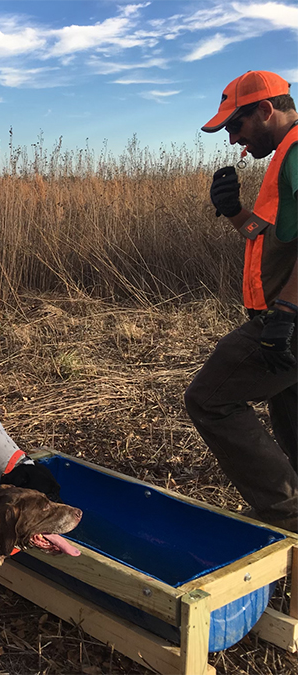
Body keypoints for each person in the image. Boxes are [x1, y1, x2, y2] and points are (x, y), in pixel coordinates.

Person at [185, 70, 297, 533]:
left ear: (266, 110)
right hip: (282, 318)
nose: (233, 140)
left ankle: (287, 516)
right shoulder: (283, 159)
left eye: (237, 126)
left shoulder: (296, 153)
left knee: (209, 399)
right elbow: (273, 241)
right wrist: (235, 212)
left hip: (288, 320)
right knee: (293, 429)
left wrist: (286, 312)